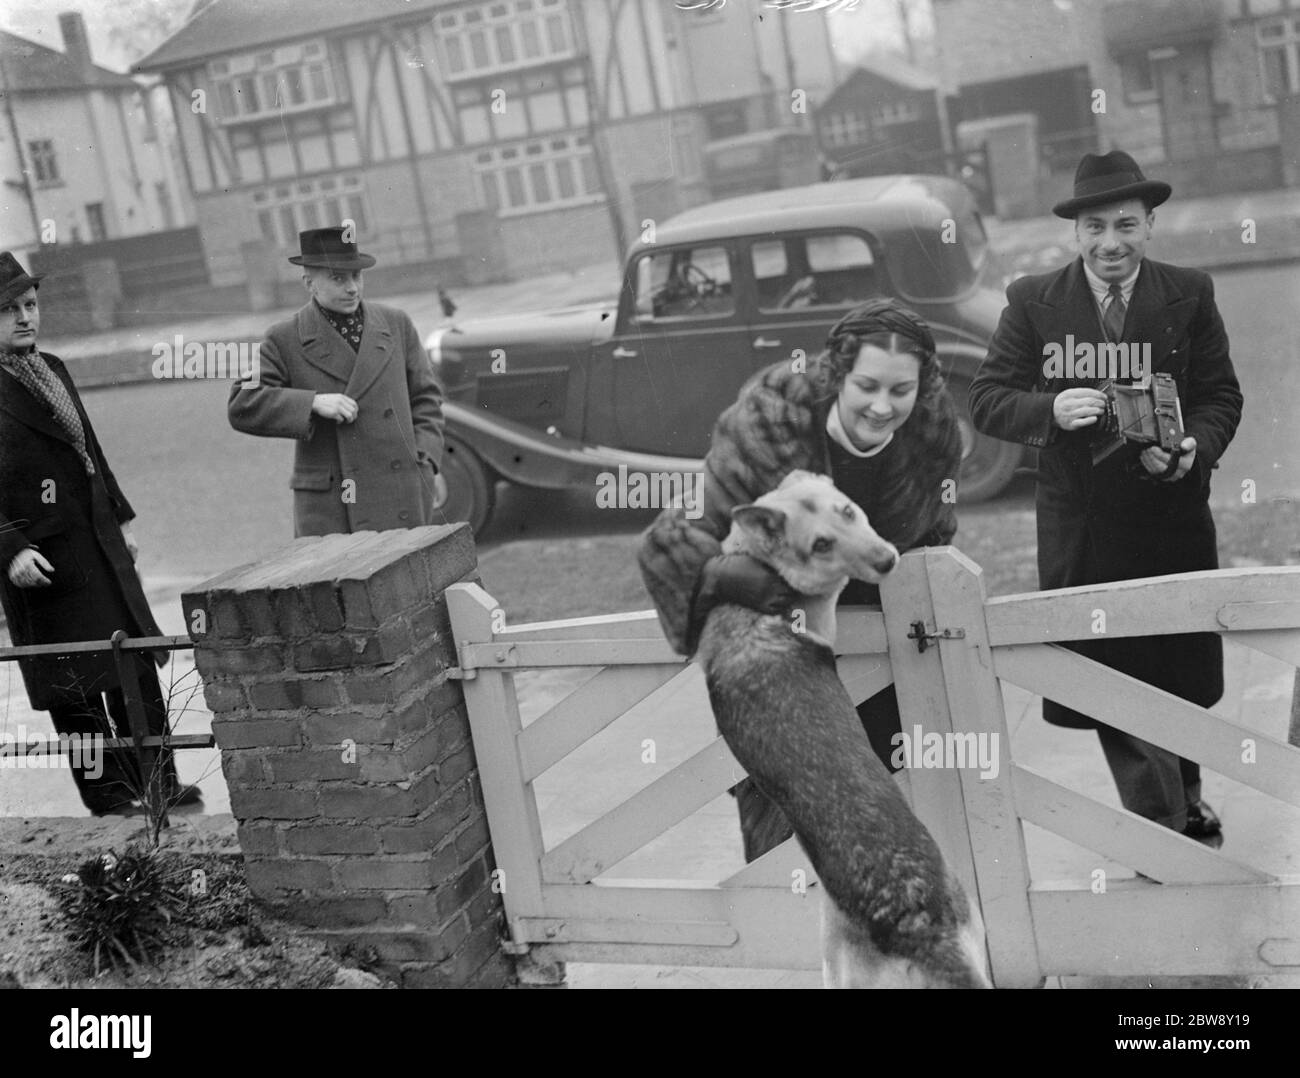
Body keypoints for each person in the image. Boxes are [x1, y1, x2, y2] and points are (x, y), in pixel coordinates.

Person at [968, 150, 1244, 847]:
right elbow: (987, 401)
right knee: (1107, 671)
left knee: (1173, 667)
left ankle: (1185, 796)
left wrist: (1194, 450)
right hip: (1082, 524)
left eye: (1126, 224)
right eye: (1095, 227)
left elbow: (1220, 397)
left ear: (1150, 225)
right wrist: (1049, 412)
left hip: (1169, 516)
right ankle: (1163, 825)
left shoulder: (1191, 292)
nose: (1110, 242)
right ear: (1076, 234)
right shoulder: (1032, 300)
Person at [639, 298, 964, 861]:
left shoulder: (932, 435)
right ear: (837, 375)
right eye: (866, 386)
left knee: (888, 816)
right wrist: (729, 578)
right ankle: (780, 924)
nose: (882, 406)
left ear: (922, 386)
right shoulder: (768, 420)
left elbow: (933, 539)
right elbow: (674, 541)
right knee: (783, 815)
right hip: (774, 648)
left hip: (880, 639)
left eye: (901, 390)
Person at [0, 252, 200, 815]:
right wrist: (9, 549)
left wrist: (122, 517)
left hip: (97, 547)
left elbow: (90, 451)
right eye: (9, 309)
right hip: (42, 562)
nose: (25, 318)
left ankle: (162, 780)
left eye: (31, 304)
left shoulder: (53, 368)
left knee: (133, 663)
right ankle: (109, 798)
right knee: (76, 687)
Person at [229, 227, 447, 536]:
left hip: (402, 493)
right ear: (309, 283)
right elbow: (242, 403)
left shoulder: (396, 323)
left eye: (357, 276)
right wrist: (312, 402)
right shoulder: (284, 338)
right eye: (338, 278)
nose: (352, 288)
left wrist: (426, 460)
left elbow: (427, 399)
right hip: (333, 508)